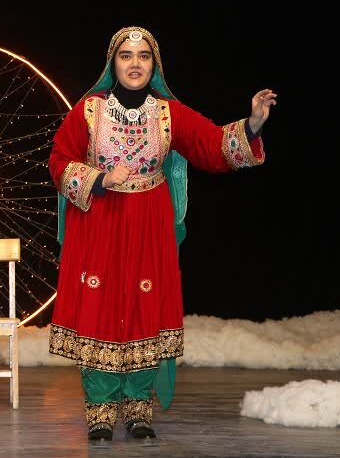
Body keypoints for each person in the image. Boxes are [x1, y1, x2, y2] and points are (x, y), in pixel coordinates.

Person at [47, 26, 276, 441]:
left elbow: (212, 146)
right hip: (99, 224)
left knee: (145, 305)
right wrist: (100, 178)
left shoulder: (168, 113)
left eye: (143, 56)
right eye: (126, 56)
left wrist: (253, 125)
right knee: (99, 306)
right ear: (113, 63)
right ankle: (100, 411)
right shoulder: (89, 111)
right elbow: (59, 160)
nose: (135, 64)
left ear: (154, 65)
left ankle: (138, 407)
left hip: (149, 225)